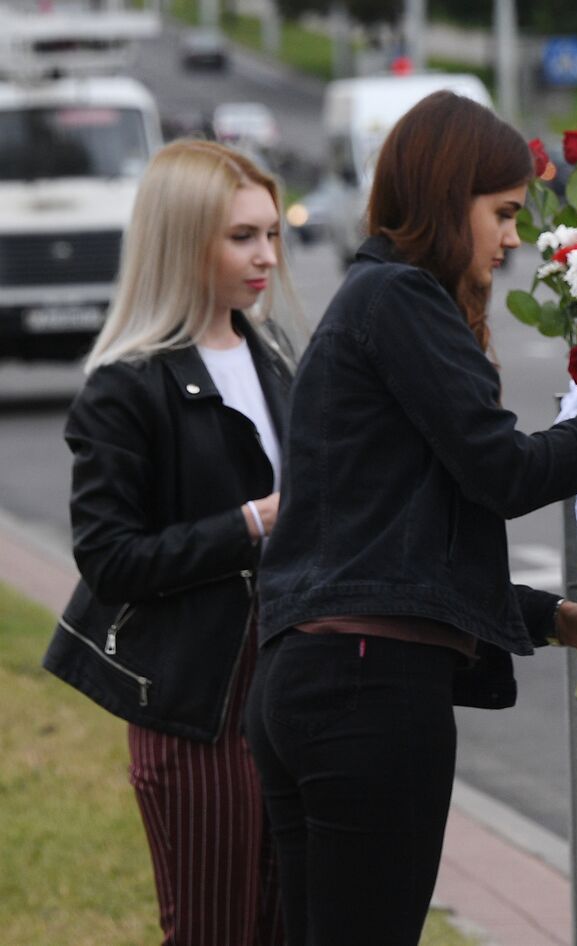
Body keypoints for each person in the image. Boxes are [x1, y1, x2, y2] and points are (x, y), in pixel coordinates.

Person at [244, 91, 577, 946]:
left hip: (314, 676)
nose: (511, 239)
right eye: (501, 213)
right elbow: (499, 470)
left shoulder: (371, 298)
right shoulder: (400, 299)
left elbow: (396, 529)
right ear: (444, 196)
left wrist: (548, 619)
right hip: (369, 688)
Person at [43, 139, 297, 946]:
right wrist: (253, 523)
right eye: (241, 237)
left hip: (292, 693)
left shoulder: (276, 358)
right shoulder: (126, 386)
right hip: (196, 708)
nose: (266, 256)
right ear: (184, 243)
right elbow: (111, 558)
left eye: (271, 234)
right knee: (214, 931)